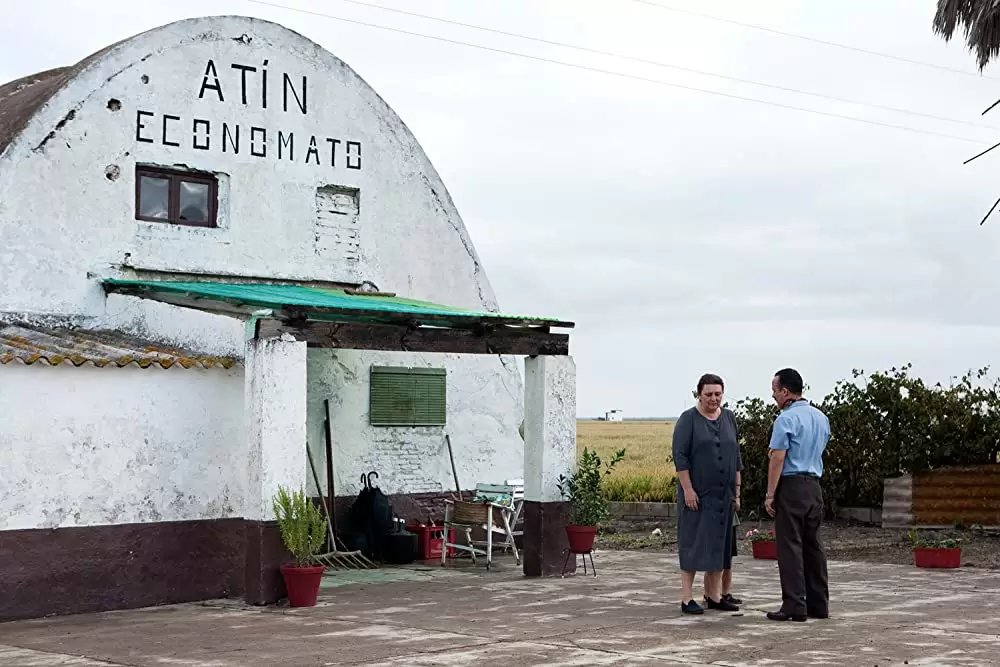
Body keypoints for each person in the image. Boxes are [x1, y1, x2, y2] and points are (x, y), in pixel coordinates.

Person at [672, 373, 743, 615]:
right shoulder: (688, 420)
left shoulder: (730, 418)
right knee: (693, 543)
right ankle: (686, 598)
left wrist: (737, 492)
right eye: (708, 394)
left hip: (724, 496)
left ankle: (714, 596)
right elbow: (680, 458)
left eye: (718, 394)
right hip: (698, 495)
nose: (713, 399)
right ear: (699, 395)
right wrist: (688, 489)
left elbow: (736, 459)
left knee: (720, 546)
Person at [764, 368, 831, 622]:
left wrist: (771, 493)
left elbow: (778, 458)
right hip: (814, 486)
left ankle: (794, 604)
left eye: (774, 391)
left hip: (791, 486)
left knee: (790, 546)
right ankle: (819, 604)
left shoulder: (785, 419)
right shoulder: (821, 418)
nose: (773, 396)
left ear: (785, 391)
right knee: (814, 546)